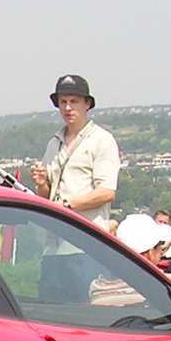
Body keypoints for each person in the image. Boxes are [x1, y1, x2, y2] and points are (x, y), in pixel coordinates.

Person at [31, 74, 121, 229]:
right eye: (63, 102)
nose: (68, 107)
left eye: (74, 101)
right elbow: (45, 197)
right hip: (55, 236)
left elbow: (107, 192)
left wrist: (66, 205)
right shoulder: (54, 144)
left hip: (87, 235)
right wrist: (41, 184)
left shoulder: (102, 139)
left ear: (87, 104)